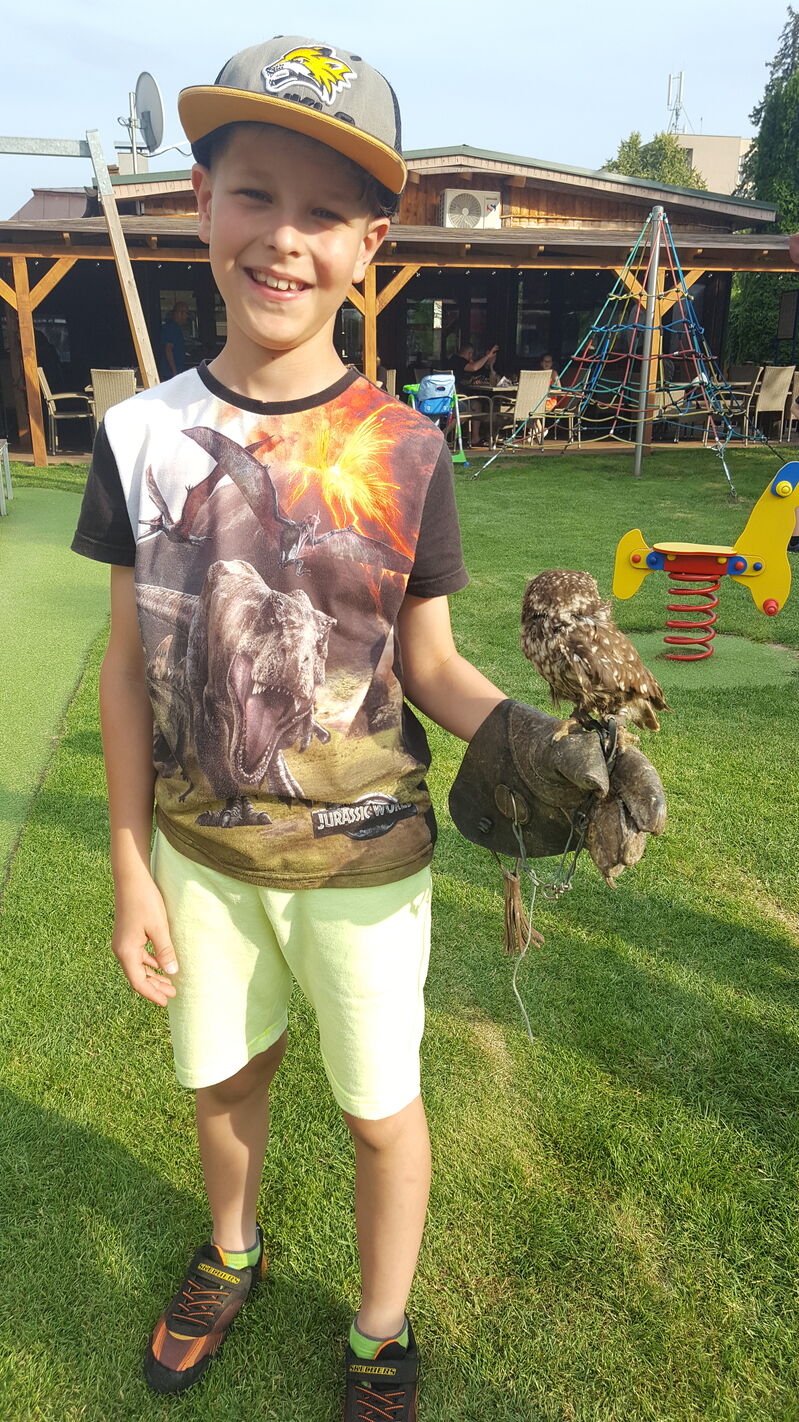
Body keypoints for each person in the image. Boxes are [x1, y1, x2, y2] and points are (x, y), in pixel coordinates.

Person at [71, 34, 662, 1418]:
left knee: (379, 1109)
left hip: (364, 863)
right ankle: (232, 1250)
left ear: (370, 244)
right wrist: (129, 863)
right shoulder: (140, 435)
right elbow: (125, 668)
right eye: (254, 193)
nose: (284, 237)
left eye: (325, 211)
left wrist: (542, 741)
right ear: (200, 201)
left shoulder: (406, 447)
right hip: (205, 859)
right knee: (224, 1080)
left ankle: (380, 1330)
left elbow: (432, 666)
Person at [158, 301, 191, 379]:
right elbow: (168, 349)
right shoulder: (172, 328)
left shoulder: (173, 327)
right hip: (170, 374)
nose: (187, 316)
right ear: (179, 313)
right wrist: (174, 372)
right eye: (186, 313)